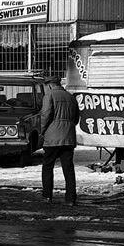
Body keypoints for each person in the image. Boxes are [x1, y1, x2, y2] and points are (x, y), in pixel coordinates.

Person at [40, 76, 80, 206]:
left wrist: (43, 130)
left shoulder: (49, 95)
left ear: (50, 85)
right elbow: (76, 118)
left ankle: (47, 196)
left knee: (47, 166)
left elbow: (46, 114)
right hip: (68, 137)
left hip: (52, 137)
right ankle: (70, 199)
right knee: (68, 168)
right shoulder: (71, 97)